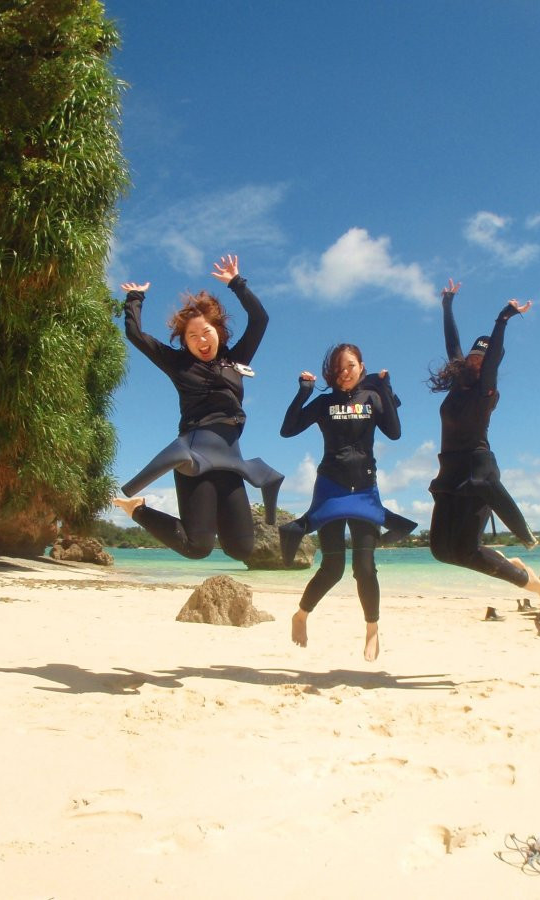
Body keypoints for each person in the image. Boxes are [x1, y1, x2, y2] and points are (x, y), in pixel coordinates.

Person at [113, 255, 283, 560]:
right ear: (185, 342)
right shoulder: (179, 365)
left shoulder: (236, 359)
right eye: (192, 336)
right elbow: (136, 335)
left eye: (206, 332)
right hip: (194, 457)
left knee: (243, 548)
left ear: (218, 330)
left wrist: (236, 283)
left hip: (231, 458)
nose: (201, 340)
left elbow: (261, 320)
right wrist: (135, 298)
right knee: (198, 546)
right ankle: (137, 510)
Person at [279, 343, 416, 661]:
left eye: (350, 366)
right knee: (332, 568)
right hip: (330, 488)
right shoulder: (324, 403)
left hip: (365, 490)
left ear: (361, 366)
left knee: (364, 568)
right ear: (332, 372)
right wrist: (303, 393)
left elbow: (394, 433)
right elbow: (288, 430)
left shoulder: (373, 399)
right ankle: (301, 614)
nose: (345, 373)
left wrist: (386, 388)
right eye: (339, 368)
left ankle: (372, 629)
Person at [427, 278, 540, 603]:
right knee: (440, 551)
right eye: (474, 357)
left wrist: (502, 319)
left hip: (477, 473)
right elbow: (452, 343)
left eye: (484, 358)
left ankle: (529, 581)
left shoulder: (485, 390)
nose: (477, 361)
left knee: (466, 550)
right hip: (449, 472)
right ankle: (513, 567)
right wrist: (447, 304)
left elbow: (490, 362)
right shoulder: (458, 385)